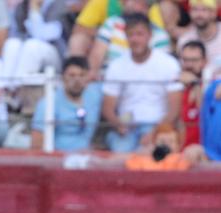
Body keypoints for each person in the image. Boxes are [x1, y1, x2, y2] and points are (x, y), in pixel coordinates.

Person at [100, 12, 179, 153]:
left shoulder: (168, 64)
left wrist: (155, 132)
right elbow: (107, 107)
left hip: (158, 125)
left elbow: (174, 109)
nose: (135, 39)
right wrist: (118, 125)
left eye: (139, 34)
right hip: (127, 127)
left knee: (151, 152)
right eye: (131, 35)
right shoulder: (116, 66)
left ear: (150, 35)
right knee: (121, 151)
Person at [23, 54, 100, 150]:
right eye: (72, 75)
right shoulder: (48, 105)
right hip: (58, 160)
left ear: (88, 77)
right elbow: (36, 144)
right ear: (63, 78)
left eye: (82, 75)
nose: (77, 80)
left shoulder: (95, 95)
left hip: (88, 158)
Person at [87, 0, 171, 77]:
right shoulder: (112, 23)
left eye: (141, 3)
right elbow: (97, 55)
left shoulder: (160, 34)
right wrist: (93, 73)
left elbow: (161, 67)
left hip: (145, 82)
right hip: (108, 79)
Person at [176, 0, 221, 83]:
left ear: (214, 13)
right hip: (196, 89)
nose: (199, 15)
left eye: (204, 10)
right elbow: (183, 73)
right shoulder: (184, 39)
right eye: (194, 10)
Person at [124, 118, 205, 167]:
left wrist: (197, 150)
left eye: (171, 141)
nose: (166, 145)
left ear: (178, 145)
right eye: (162, 141)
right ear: (154, 143)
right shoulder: (146, 160)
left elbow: (202, 159)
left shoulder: (184, 158)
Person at [172, 37, 203, 145]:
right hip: (177, 150)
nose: (189, 65)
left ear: (204, 62)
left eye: (194, 60)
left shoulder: (211, 86)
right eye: (185, 60)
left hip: (200, 150)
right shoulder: (173, 86)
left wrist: (196, 84)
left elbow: (205, 116)